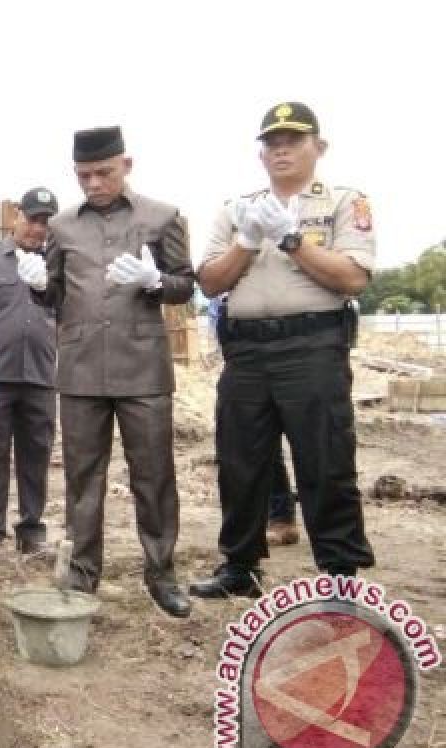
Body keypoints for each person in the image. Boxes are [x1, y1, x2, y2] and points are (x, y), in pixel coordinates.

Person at [190, 102, 375, 599]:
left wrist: (291, 240)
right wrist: (249, 240)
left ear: (319, 146)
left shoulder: (341, 202)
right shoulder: (237, 208)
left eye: (293, 139)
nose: (282, 149)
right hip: (246, 351)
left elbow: (352, 277)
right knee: (240, 460)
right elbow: (209, 281)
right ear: (261, 153)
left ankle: (339, 572)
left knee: (325, 458)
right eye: (272, 142)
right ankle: (240, 567)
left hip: (312, 346)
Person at [23, 127, 195, 617]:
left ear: (127, 164)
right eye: (84, 175)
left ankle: (161, 573)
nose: (94, 183)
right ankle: (82, 573)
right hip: (79, 370)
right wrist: (37, 285)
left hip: (143, 366)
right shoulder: (60, 226)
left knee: (154, 475)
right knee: (82, 478)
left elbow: (187, 285)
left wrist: (157, 280)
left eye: (104, 172)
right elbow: (53, 292)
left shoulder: (163, 216)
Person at [0, 187, 59, 566]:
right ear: (16, 216)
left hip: (41, 375)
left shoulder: (59, 265)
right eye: (32, 218)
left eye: (45, 221)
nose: (37, 228)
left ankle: (31, 531)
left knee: (35, 456)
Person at [208, 293, 300, 547]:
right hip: (240, 340)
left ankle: (290, 519)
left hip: (297, 341)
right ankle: (276, 518)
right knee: (257, 441)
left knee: (312, 444)